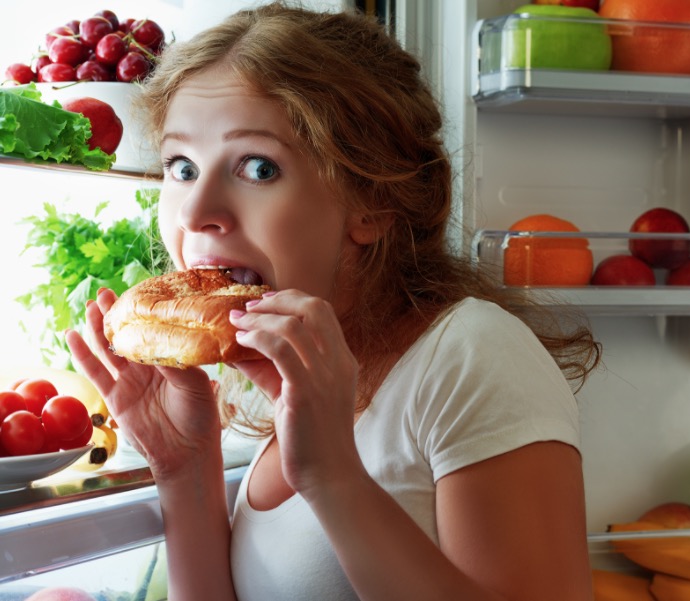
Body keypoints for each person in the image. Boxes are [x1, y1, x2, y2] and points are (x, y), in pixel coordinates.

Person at [66, 3, 602, 600]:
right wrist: (184, 466)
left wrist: (331, 476)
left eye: (258, 167)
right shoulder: (284, 370)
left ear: (370, 200)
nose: (194, 212)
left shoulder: (473, 356)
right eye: (182, 166)